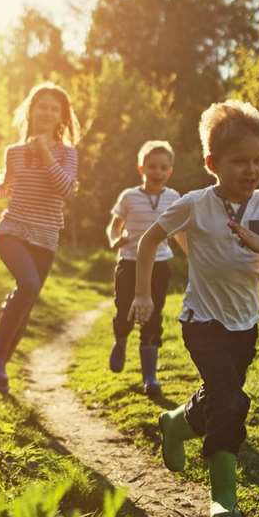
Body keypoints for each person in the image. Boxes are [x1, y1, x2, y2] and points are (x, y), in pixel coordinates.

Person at [127, 101, 259, 517]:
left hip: (246, 325)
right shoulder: (195, 204)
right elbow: (149, 241)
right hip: (202, 320)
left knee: (221, 398)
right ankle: (223, 496)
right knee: (230, 400)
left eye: (258, 160)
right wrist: (143, 296)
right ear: (212, 162)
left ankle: (176, 424)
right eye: (239, 161)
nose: (251, 169)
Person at [0, 82, 80, 395]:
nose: (46, 112)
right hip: (13, 230)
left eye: (54, 108)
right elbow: (8, 187)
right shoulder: (14, 153)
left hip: (46, 236)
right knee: (29, 285)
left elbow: (67, 190)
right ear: (31, 111)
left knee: (26, 298)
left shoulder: (68, 154)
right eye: (41, 105)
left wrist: (46, 153)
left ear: (62, 117)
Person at [105, 140, 182, 397]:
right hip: (128, 262)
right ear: (141, 168)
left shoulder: (174, 198)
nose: (157, 172)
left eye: (163, 167)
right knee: (125, 309)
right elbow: (113, 226)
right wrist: (115, 240)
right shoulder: (129, 197)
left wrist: (196, 254)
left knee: (153, 315)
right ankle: (121, 340)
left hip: (160, 264)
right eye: (152, 167)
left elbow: (181, 230)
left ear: (170, 170)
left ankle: (150, 376)